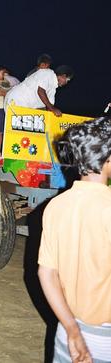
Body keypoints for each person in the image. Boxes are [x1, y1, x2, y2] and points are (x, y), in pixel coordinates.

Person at [38, 117, 111, 362]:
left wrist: (71, 329)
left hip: (67, 334)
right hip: (104, 342)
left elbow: (46, 274)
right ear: (107, 158)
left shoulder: (55, 206)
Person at [4, 65, 74, 117]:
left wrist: (53, 113)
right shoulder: (48, 73)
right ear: (63, 76)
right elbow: (40, 91)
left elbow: (49, 107)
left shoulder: (53, 88)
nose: (66, 83)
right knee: (16, 129)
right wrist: (53, 108)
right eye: (67, 80)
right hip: (16, 100)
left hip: (24, 106)